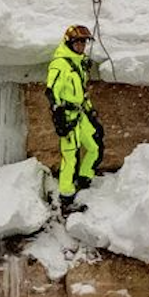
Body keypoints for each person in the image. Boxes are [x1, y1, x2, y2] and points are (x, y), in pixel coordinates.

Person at [45, 24, 103, 213]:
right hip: (67, 116)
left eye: (84, 42)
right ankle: (66, 198)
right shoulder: (59, 64)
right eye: (78, 42)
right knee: (69, 157)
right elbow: (51, 91)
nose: (82, 46)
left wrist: (91, 111)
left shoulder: (79, 63)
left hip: (80, 114)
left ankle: (84, 178)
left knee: (94, 147)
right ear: (69, 43)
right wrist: (58, 116)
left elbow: (82, 93)